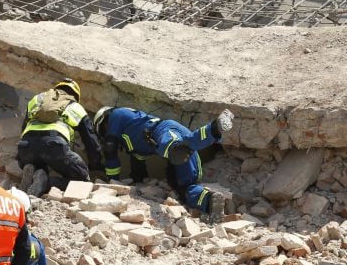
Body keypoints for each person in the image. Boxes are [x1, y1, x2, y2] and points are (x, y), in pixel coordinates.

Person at [93, 106, 234, 220]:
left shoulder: (116, 114)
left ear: (103, 122)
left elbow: (110, 146)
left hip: (163, 131)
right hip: (178, 151)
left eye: (104, 131)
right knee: (183, 189)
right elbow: (138, 165)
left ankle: (215, 128)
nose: (107, 134)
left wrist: (112, 182)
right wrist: (138, 182)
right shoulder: (134, 146)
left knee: (177, 151)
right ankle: (210, 201)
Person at [17, 78, 103, 197]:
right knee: (81, 179)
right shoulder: (76, 107)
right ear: (75, 95)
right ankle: (46, 183)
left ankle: (33, 171)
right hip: (54, 146)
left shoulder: (37, 99)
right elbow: (91, 141)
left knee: (39, 162)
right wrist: (96, 164)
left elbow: (24, 128)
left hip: (26, 146)